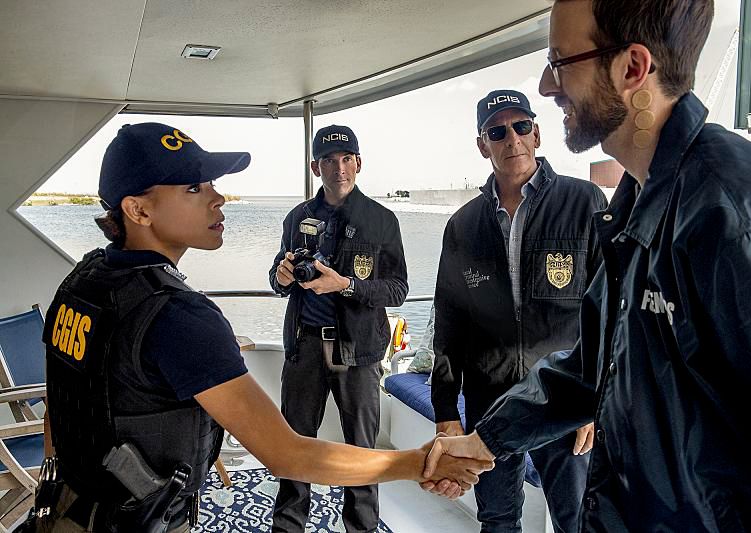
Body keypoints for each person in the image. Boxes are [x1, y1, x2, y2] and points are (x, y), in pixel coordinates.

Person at [423, 0, 751, 530]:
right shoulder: (635, 206)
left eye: (559, 63)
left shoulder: (739, 212)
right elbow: (589, 367)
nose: (548, 87)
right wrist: (484, 439)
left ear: (631, 69)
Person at [34, 122, 491, 533]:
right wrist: (419, 463)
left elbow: (62, 392)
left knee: (360, 438)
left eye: (213, 183)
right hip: (138, 519)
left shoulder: (85, 279)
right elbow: (287, 453)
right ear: (138, 210)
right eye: (194, 187)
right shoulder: (178, 315)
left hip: (65, 508)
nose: (218, 197)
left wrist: (344, 284)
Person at [431, 89, 607, 533]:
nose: (512, 139)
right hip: (490, 398)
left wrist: (594, 404)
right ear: (482, 144)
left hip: (562, 396)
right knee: (497, 518)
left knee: (579, 517)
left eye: (521, 126)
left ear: (537, 132)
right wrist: (446, 411)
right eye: (497, 131)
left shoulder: (585, 203)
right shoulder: (463, 225)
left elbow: (610, 312)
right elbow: (450, 324)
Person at [269, 125, 409, 533]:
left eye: (346, 158)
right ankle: (289, 526)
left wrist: (345, 284)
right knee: (294, 445)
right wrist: (280, 276)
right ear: (316, 167)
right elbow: (278, 280)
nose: (339, 168)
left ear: (359, 163)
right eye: (329, 160)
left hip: (359, 351)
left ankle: (361, 528)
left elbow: (398, 289)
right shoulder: (298, 217)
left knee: (361, 451)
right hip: (305, 348)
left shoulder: (381, 220)